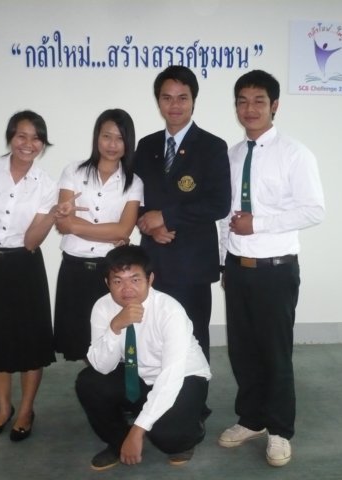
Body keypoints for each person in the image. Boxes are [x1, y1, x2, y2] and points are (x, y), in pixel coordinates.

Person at [218, 70, 325, 467]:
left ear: (274, 105)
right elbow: (224, 216)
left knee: (275, 353)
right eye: (242, 101)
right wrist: (223, 262)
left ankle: (280, 430)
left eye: (259, 101)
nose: (250, 109)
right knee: (243, 351)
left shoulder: (295, 154)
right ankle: (252, 419)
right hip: (238, 267)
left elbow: (314, 210)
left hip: (276, 269)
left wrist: (258, 223)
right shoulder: (231, 155)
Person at [0, 110, 75, 442]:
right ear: (11, 137)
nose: (29, 144)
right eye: (22, 136)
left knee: (30, 343)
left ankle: (25, 410)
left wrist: (53, 214)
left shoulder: (46, 184)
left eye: (36, 138)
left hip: (25, 267)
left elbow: (31, 241)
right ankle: (3, 409)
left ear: (43, 144)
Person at [75, 245, 211, 471]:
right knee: (89, 382)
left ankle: (194, 424)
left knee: (169, 438)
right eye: (118, 281)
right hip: (136, 373)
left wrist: (138, 430)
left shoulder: (170, 311)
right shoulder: (102, 307)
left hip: (182, 377)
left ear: (150, 279)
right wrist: (115, 327)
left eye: (135, 280)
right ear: (107, 283)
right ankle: (119, 441)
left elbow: (171, 375)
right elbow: (102, 366)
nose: (127, 289)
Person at [134, 65, 231, 362]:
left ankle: (194, 391)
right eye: (167, 98)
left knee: (192, 336)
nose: (174, 105)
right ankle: (155, 389)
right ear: (158, 102)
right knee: (152, 335)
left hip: (192, 264)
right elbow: (134, 198)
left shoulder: (212, 147)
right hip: (152, 260)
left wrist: (166, 217)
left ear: (193, 101)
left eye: (182, 98)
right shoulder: (146, 145)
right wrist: (150, 226)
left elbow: (219, 203)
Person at [53, 109, 143, 361]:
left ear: (128, 142)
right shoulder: (74, 171)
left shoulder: (133, 182)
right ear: (97, 137)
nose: (112, 145)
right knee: (78, 338)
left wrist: (76, 226)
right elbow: (63, 223)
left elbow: (124, 230)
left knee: (110, 336)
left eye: (120, 138)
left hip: (110, 270)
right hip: (74, 268)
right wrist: (106, 232)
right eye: (106, 136)